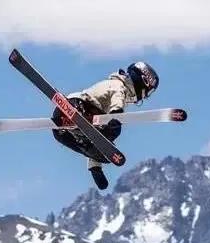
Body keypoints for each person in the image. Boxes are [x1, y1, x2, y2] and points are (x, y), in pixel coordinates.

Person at [51, 61, 159, 190]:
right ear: (143, 82)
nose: (145, 97)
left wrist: (95, 168)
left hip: (62, 131)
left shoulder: (119, 87)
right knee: (114, 130)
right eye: (148, 92)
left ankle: (77, 135)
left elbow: (99, 139)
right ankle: (75, 121)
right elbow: (117, 99)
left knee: (106, 156)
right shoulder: (119, 86)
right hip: (79, 105)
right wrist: (116, 116)